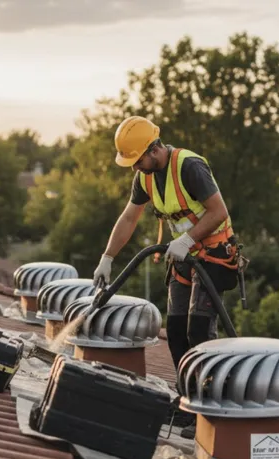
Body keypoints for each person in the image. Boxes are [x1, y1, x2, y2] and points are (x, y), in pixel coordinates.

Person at [92, 116, 242, 434]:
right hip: (183, 258)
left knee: (199, 329)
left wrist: (187, 239)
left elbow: (219, 211)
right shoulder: (145, 178)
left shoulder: (189, 166)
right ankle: (189, 400)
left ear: (154, 149)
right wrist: (107, 257)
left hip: (214, 255)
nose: (135, 167)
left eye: (137, 160)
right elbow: (129, 218)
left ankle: (209, 407)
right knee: (175, 329)